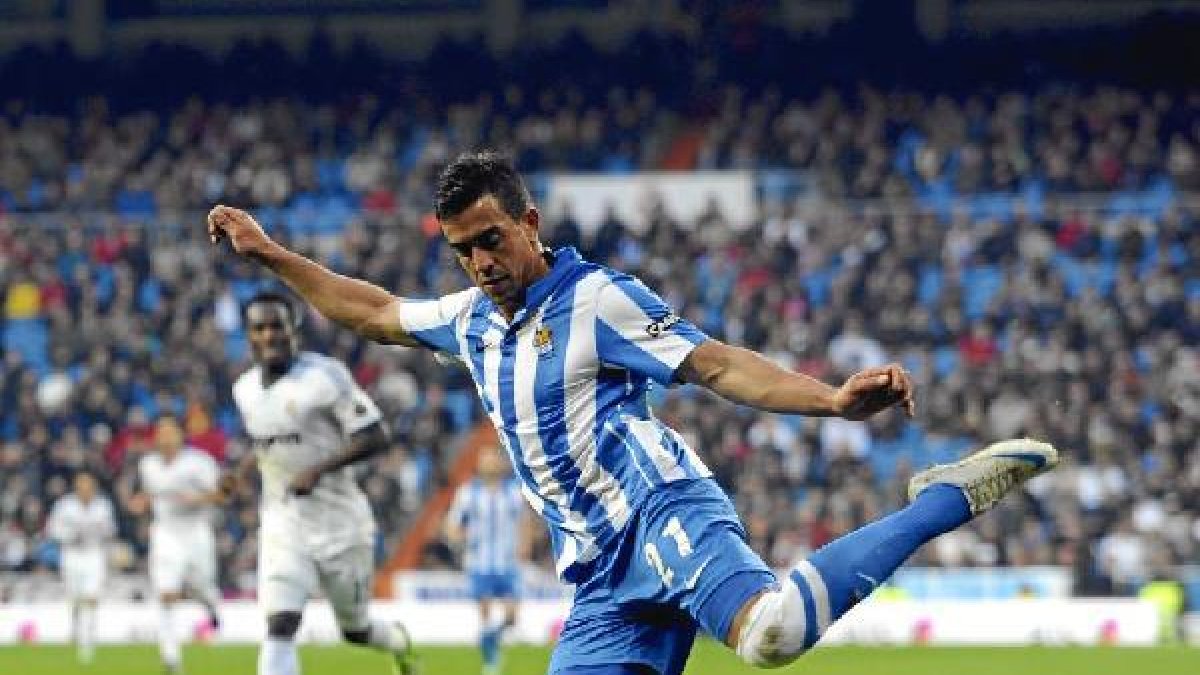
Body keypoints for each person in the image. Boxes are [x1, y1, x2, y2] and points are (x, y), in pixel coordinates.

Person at [207, 150, 1059, 675]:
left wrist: (830, 399)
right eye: (462, 247)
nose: (479, 261)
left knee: (768, 635)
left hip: (660, 511)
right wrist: (273, 255)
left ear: (529, 222)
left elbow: (716, 363)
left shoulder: (598, 299)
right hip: (598, 575)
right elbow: (374, 311)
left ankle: (941, 498)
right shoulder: (469, 322)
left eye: (492, 238)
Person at [226, 291, 416, 675]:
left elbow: (376, 434)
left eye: (276, 325)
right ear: (248, 335)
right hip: (284, 522)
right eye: (258, 328)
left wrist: (319, 469)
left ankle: (397, 642)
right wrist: (241, 473)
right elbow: (267, 442)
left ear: (293, 328)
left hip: (340, 524)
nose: (268, 335)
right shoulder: (244, 388)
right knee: (280, 622)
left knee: (356, 630)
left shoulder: (324, 377)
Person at [134, 413, 225, 674]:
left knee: (203, 586)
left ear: (180, 435)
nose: (164, 438)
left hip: (196, 532)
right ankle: (170, 658)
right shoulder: (148, 465)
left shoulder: (199, 463)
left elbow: (220, 494)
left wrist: (195, 499)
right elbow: (152, 493)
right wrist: (142, 501)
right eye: (160, 433)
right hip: (166, 533)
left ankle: (210, 605)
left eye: (169, 432)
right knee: (165, 593)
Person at [445, 445, 530, 675]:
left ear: (502, 464)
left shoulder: (513, 491)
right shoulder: (468, 492)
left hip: (508, 563)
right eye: (486, 459)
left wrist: (525, 545)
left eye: (494, 459)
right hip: (479, 563)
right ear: (480, 464)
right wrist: (461, 537)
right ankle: (491, 662)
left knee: (511, 617)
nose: (490, 463)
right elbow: (452, 525)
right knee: (485, 613)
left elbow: (524, 522)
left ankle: (489, 639)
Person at [46, 471, 116, 664]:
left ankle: (88, 643)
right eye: (81, 485)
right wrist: (69, 534)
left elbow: (110, 529)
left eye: (88, 485)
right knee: (75, 598)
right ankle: (75, 632)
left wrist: (97, 532)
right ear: (76, 487)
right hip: (72, 554)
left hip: (94, 554)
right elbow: (52, 529)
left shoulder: (103, 505)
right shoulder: (64, 505)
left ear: (93, 487)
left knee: (92, 598)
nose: (85, 489)